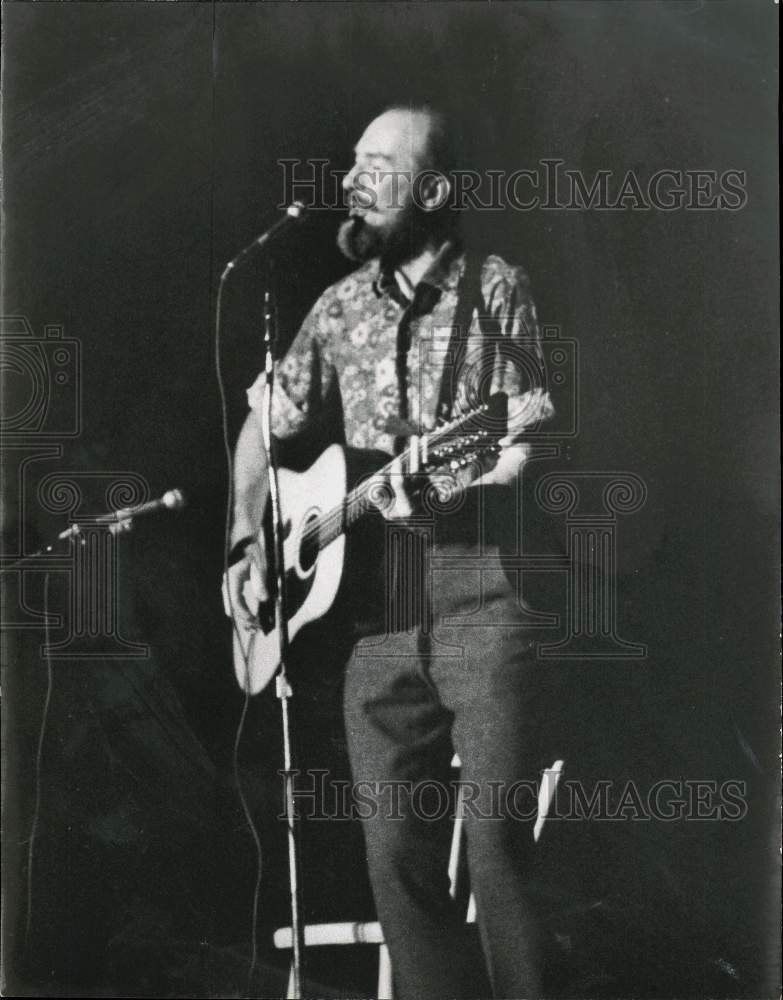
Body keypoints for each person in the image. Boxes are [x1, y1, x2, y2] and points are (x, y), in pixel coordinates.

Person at [224, 105, 555, 999]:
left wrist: (452, 481)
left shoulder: (495, 287)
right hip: (377, 613)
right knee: (396, 863)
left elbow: (519, 436)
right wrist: (245, 540)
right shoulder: (334, 309)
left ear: (434, 189)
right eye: (353, 164)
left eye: (379, 165)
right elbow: (263, 429)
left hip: (480, 594)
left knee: (494, 847)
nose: (352, 182)